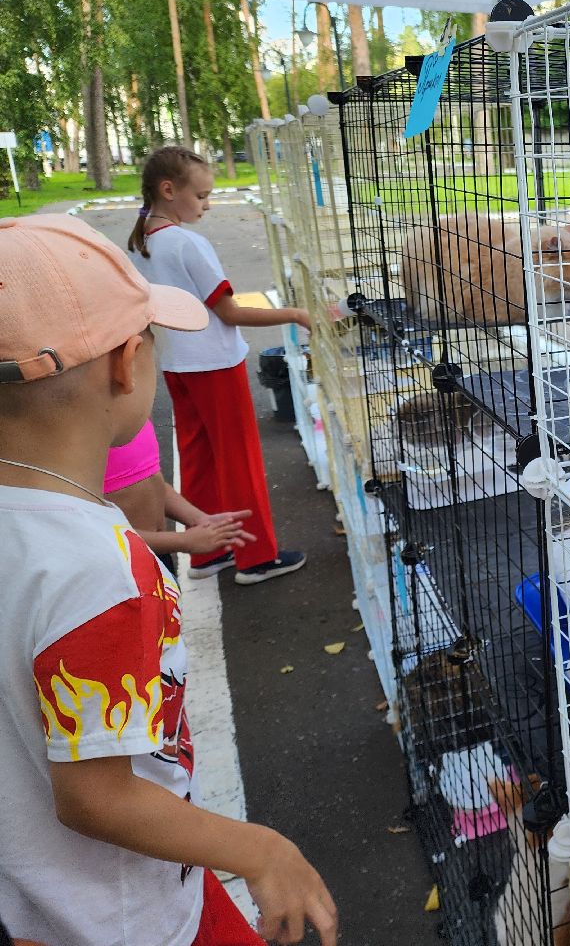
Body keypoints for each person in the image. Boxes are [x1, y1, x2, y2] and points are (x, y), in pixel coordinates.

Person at [0, 213, 338, 945]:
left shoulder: (31, 525)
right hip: (127, 916)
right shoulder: (94, 568)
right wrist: (262, 849)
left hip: (39, 905)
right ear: (127, 365)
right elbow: (96, 798)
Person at [127, 146, 308, 584]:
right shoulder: (187, 242)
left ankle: (208, 551)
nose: (206, 206)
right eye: (202, 196)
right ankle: (257, 555)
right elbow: (228, 312)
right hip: (214, 363)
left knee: (199, 456)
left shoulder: (140, 242)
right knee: (238, 458)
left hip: (176, 363)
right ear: (169, 190)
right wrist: (297, 314)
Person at [105, 419, 256, 573]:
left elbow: (153, 484)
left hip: (158, 559)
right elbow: (98, 534)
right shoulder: (85, 446)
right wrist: (184, 541)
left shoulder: (135, 421)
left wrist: (198, 518)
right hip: (124, 572)